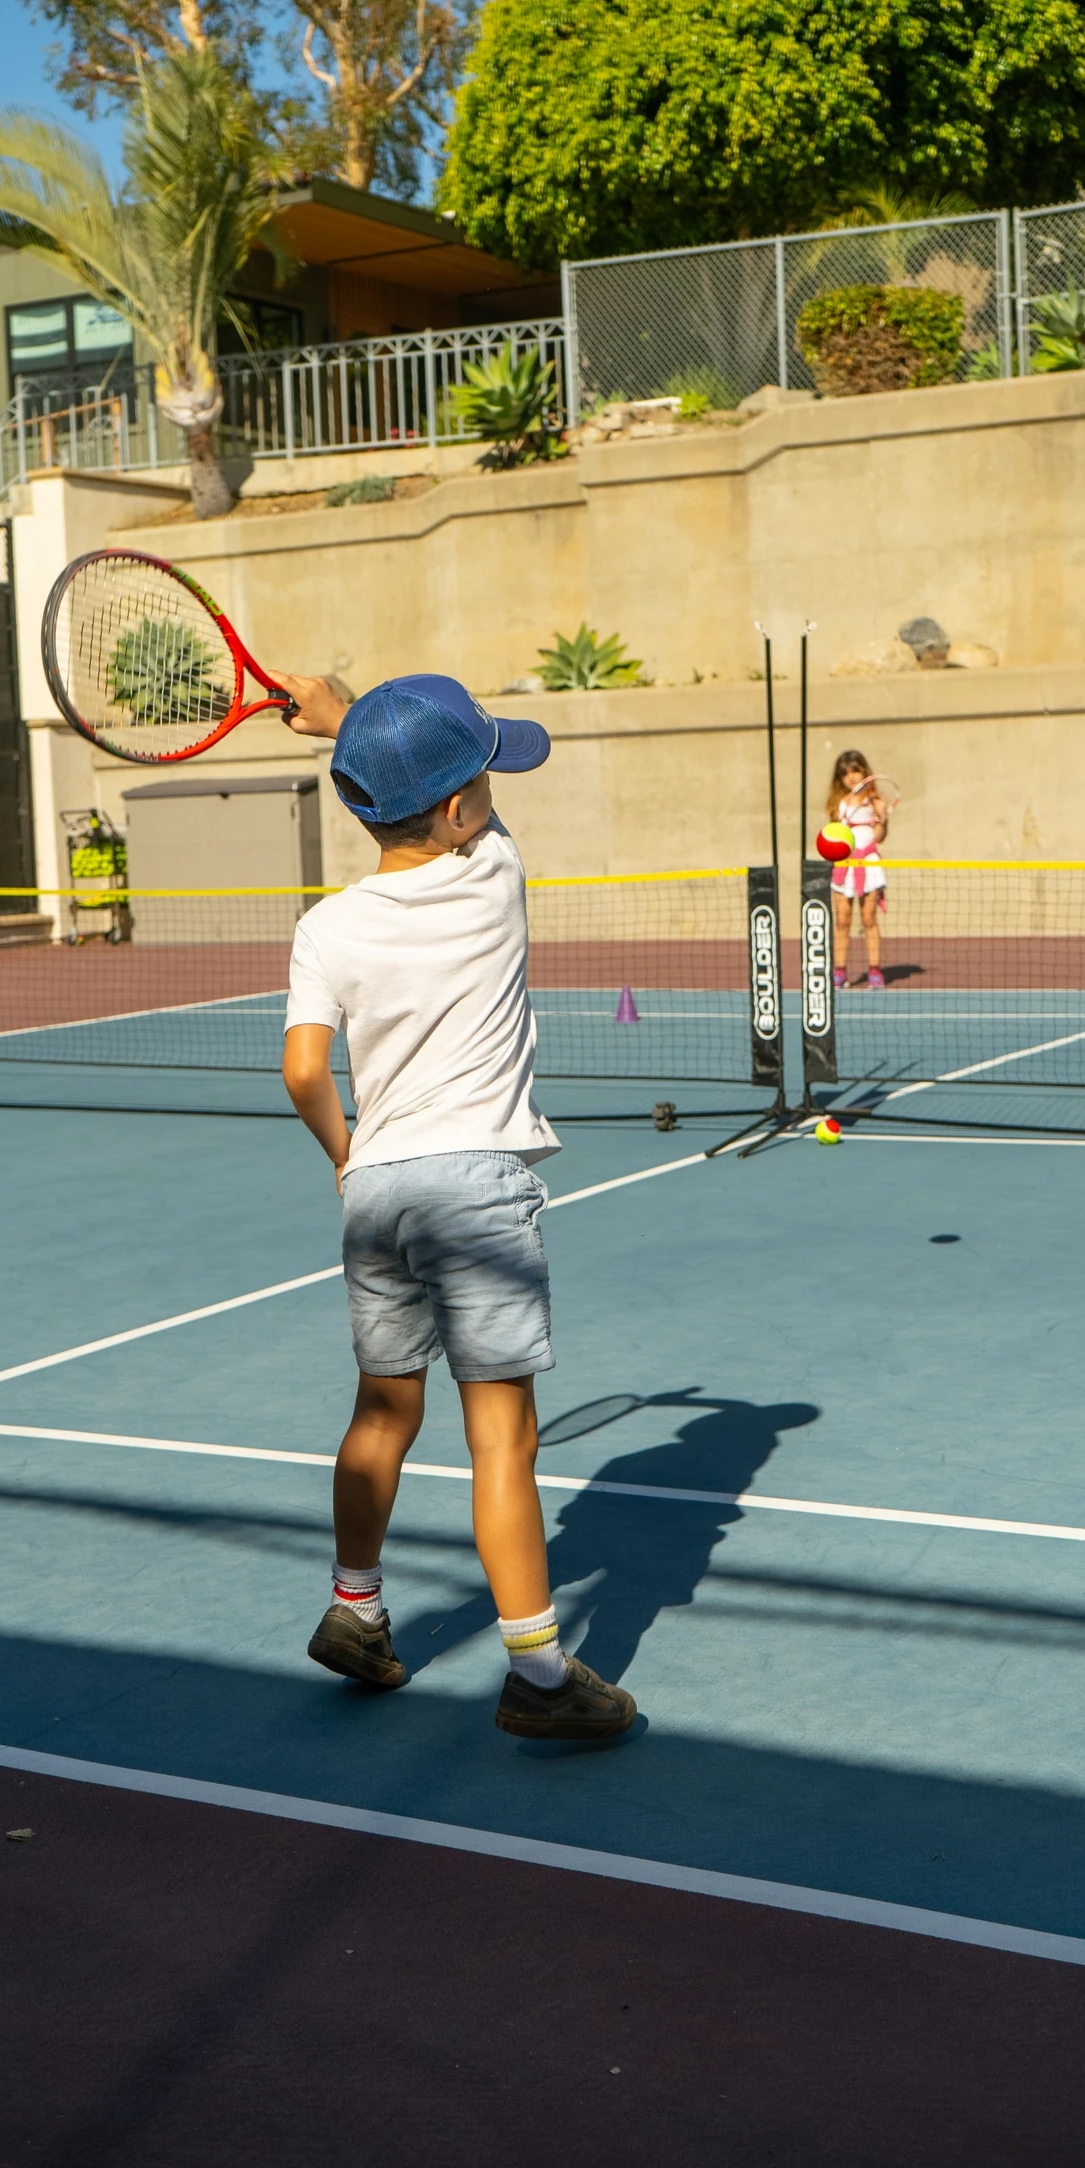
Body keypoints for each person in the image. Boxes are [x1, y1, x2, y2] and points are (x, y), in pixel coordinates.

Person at [270, 667, 637, 1742]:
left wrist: (346, 1154)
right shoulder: (492, 875)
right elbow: (462, 805)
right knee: (499, 1443)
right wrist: (347, 714)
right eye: (482, 772)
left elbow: (300, 1072)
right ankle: (537, 1678)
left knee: (381, 1410)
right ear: (462, 808)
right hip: (475, 1185)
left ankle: (355, 1609)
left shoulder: (325, 929)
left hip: (378, 1187)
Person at [825, 748, 890, 990]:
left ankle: (874, 970)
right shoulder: (837, 804)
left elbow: (879, 836)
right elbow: (834, 836)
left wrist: (882, 818)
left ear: (864, 771)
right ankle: (839, 971)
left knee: (869, 918)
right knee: (842, 920)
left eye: (855, 770)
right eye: (846, 773)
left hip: (869, 864)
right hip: (844, 865)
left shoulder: (874, 802)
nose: (852, 777)